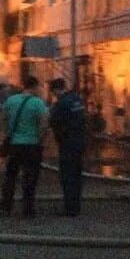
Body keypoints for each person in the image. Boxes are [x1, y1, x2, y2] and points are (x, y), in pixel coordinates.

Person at [0, 76, 49, 217]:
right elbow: (44, 124)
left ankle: (5, 206)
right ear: (35, 87)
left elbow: (3, 118)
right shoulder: (38, 103)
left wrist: (9, 134)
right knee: (30, 178)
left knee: (10, 177)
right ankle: (27, 209)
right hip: (32, 145)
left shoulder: (11, 100)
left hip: (15, 145)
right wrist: (40, 140)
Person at [48, 78, 88, 217]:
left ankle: (69, 209)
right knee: (77, 176)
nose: (54, 95)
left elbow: (53, 122)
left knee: (67, 176)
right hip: (80, 143)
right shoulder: (77, 99)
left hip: (67, 144)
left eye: (53, 92)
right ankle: (76, 206)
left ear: (56, 89)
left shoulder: (61, 104)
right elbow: (83, 120)